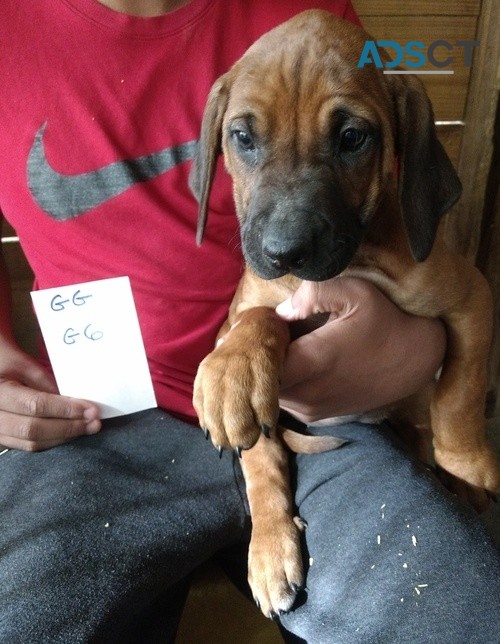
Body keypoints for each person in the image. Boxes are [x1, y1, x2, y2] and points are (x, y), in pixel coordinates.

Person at [0, 1, 498, 642]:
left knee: (461, 615)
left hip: (329, 419)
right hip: (95, 425)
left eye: (348, 139)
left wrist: (414, 357)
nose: (286, 234)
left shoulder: (311, 25)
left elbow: (446, 294)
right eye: (245, 139)